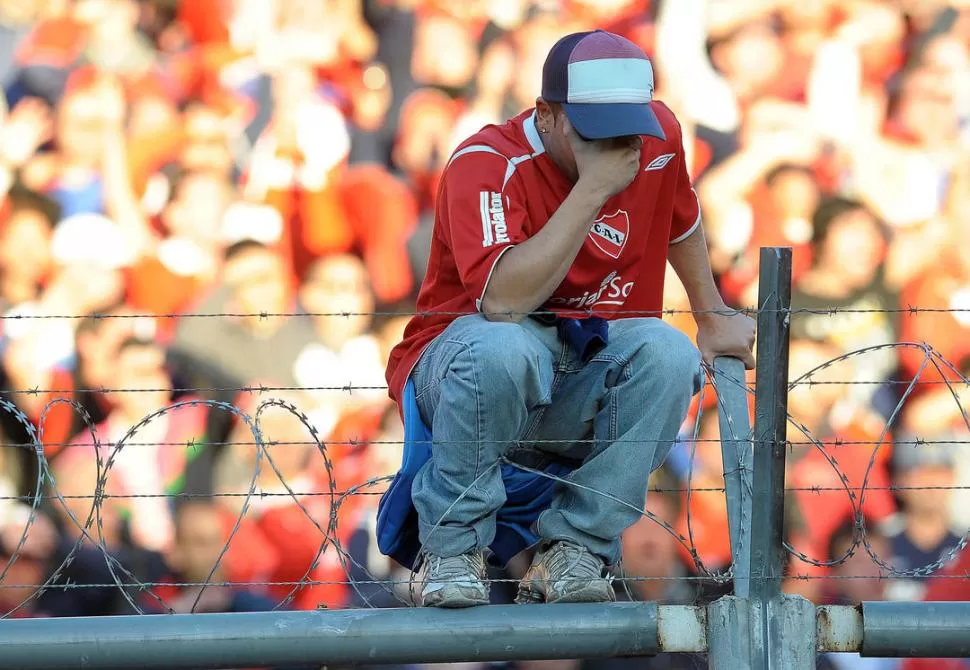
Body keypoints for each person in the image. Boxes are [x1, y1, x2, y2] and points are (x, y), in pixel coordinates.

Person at [381, 30, 755, 609]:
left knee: (670, 352)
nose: (615, 146)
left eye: (625, 129)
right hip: (464, 370)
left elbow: (682, 217)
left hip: (579, 368)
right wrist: (592, 189)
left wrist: (710, 316)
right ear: (546, 115)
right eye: (594, 132)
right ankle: (453, 550)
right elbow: (503, 304)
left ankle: (576, 548)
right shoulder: (486, 161)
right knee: (509, 349)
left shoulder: (657, 136)